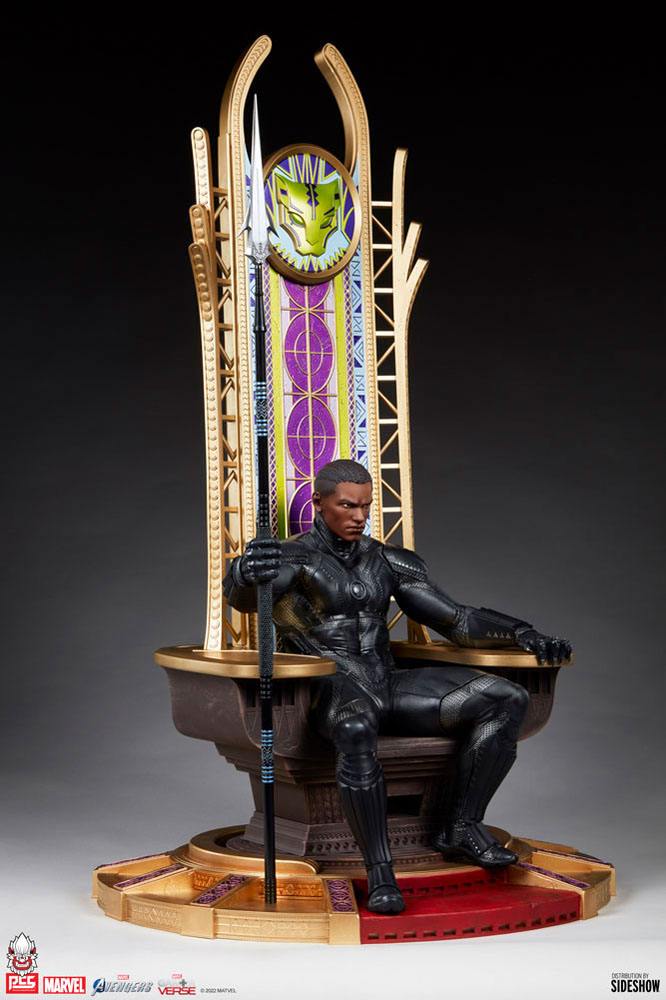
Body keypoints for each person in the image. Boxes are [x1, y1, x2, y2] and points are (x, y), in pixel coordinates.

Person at [223, 460, 571, 915]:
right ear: (318, 503)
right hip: (332, 685)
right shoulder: (292, 558)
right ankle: (381, 871)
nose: (359, 516)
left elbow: (457, 621)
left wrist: (522, 632)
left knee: (507, 699)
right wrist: (245, 572)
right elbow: (248, 599)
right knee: (356, 727)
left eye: (365, 506)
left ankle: (461, 826)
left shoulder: (387, 560)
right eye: (347, 506)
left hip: (386, 682)